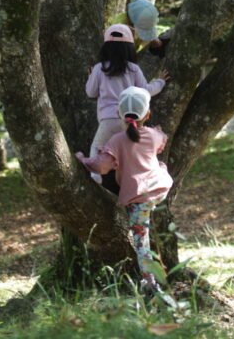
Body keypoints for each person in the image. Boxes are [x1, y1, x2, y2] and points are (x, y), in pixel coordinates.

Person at [75, 87, 173, 292]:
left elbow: (102, 167)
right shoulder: (154, 135)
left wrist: (84, 160)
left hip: (139, 197)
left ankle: (149, 281)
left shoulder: (117, 141)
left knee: (141, 241)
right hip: (160, 188)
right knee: (146, 224)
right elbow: (160, 141)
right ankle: (153, 276)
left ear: (119, 114)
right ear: (148, 114)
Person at [86, 23, 168, 183]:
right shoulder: (133, 69)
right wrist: (161, 82)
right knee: (128, 152)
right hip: (131, 120)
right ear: (129, 48)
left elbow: (91, 92)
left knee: (96, 147)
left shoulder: (99, 69)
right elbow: (146, 90)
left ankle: (96, 175)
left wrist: (90, 78)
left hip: (108, 120)